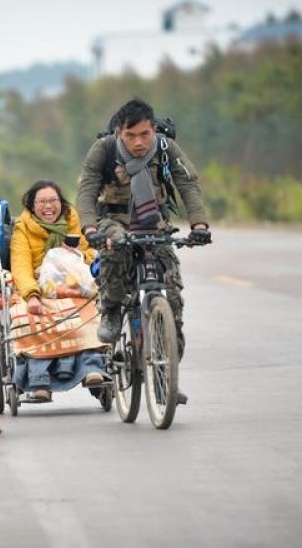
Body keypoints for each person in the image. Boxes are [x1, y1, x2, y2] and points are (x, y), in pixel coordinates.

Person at [75, 97, 212, 360]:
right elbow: (87, 189)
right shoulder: (103, 150)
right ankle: (112, 308)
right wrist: (91, 229)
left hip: (155, 223)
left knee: (172, 292)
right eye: (131, 135)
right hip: (113, 221)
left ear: (154, 130)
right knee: (114, 248)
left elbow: (188, 183)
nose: (139, 142)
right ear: (119, 132)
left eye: (145, 134)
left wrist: (199, 224)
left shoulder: (165, 148)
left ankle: (166, 368)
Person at [9, 179, 109, 402]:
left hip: (72, 282)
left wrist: (75, 255)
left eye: (53, 200)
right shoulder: (22, 229)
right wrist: (32, 296)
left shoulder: (73, 220)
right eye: (42, 201)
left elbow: (90, 254)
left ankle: (90, 368)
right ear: (32, 206)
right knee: (29, 316)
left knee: (89, 311)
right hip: (36, 287)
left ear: (61, 203)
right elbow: (21, 267)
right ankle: (38, 377)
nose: (48, 206)